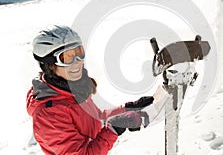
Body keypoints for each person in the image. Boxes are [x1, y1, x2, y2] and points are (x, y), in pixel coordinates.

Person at [26, 25, 154, 155]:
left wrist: (127, 108)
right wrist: (114, 128)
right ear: (49, 66)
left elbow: (96, 119)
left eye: (79, 53)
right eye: (67, 57)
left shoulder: (73, 91)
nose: (77, 62)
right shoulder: (49, 114)